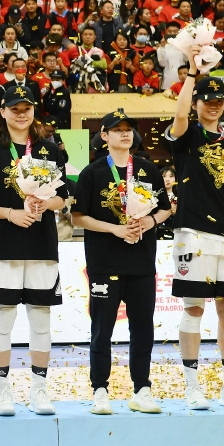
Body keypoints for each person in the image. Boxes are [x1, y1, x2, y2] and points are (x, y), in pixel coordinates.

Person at [0, 85, 68, 416]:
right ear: (2, 112)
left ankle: (39, 390)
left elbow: (63, 196)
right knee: (3, 319)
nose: (21, 113)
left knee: (41, 319)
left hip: (42, 245)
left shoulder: (49, 150)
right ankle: (2, 391)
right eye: (14, 108)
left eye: (26, 107)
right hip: (4, 245)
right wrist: (11, 213)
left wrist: (45, 204)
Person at [72, 110, 172, 415]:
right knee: (102, 329)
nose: (125, 134)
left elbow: (166, 209)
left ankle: (142, 388)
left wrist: (148, 222)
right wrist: (115, 228)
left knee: (143, 329)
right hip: (104, 263)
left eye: (129, 129)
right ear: (104, 136)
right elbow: (78, 217)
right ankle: (100, 389)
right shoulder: (91, 173)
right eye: (117, 130)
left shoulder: (147, 170)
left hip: (141, 264)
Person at [166, 51, 224, 410]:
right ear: (197, 101)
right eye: (206, 100)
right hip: (193, 233)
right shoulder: (186, 135)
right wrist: (193, 76)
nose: (213, 106)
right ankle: (192, 385)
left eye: (218, 101)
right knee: (194, 307)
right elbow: (180, 114)